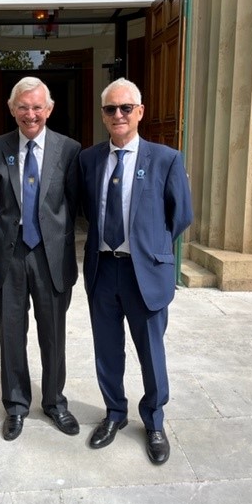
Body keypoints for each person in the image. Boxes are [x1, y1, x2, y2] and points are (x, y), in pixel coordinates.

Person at [79, 77, 193, 464]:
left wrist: (150, 247)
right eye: (110, 109)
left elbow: (181, 215)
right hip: (102, 270)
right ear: (103, 115)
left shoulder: (165, 159)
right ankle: (114, 414)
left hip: (144, 274)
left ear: (140, 112)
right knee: (107, 352)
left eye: (126, 108)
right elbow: (86, 209)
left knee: (151, 353)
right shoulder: (89, 159)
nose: (118, 115)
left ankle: (154, 421)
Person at [0, 77, 81, 441]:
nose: (31, 114)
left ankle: (55, 401)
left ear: (49, 109)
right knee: (11, 334)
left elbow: (74, 205)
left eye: (37, 107)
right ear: (12, 109)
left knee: (53, 333)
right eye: (23, 107)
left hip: (51, 255)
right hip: (8, 255)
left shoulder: (69, 149)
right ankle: (15, 404)